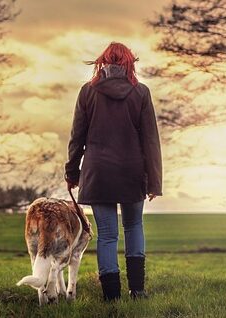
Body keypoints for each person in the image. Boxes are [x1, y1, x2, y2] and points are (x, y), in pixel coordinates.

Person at [64, 42, 163, 301]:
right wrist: (154, 182)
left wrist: (72, 172)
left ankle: (111, 297)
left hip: (99, 173)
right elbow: (150, 140)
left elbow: (77, 137)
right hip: (132, 171)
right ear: (130, 63)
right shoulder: (141, 93)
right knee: (133, 226)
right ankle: (137, 291)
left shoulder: (87, 92)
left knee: (107, 235)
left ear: (102, 63)